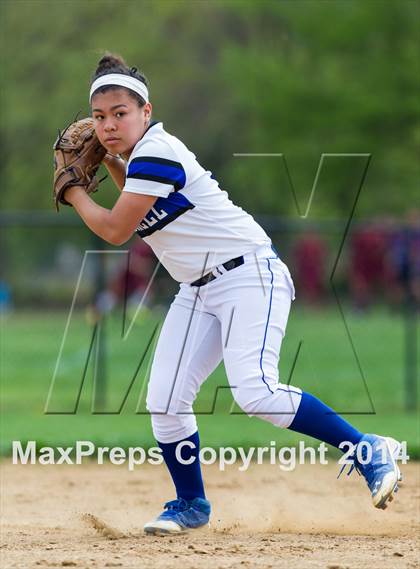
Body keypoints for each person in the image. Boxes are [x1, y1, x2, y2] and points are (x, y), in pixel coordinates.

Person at [63, 53, 403, 535]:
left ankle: (368, 448)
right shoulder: (141, 161)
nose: (109, 124)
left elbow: (118, 229)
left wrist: (74, 191)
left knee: (255, 390)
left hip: (248, 276)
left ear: (146, 111)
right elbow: (146, 208)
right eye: (99, 117)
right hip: (199, 289)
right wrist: (115, 163)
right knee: (164, 398)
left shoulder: (157, 152)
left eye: (121, 113)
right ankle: (190, 504)